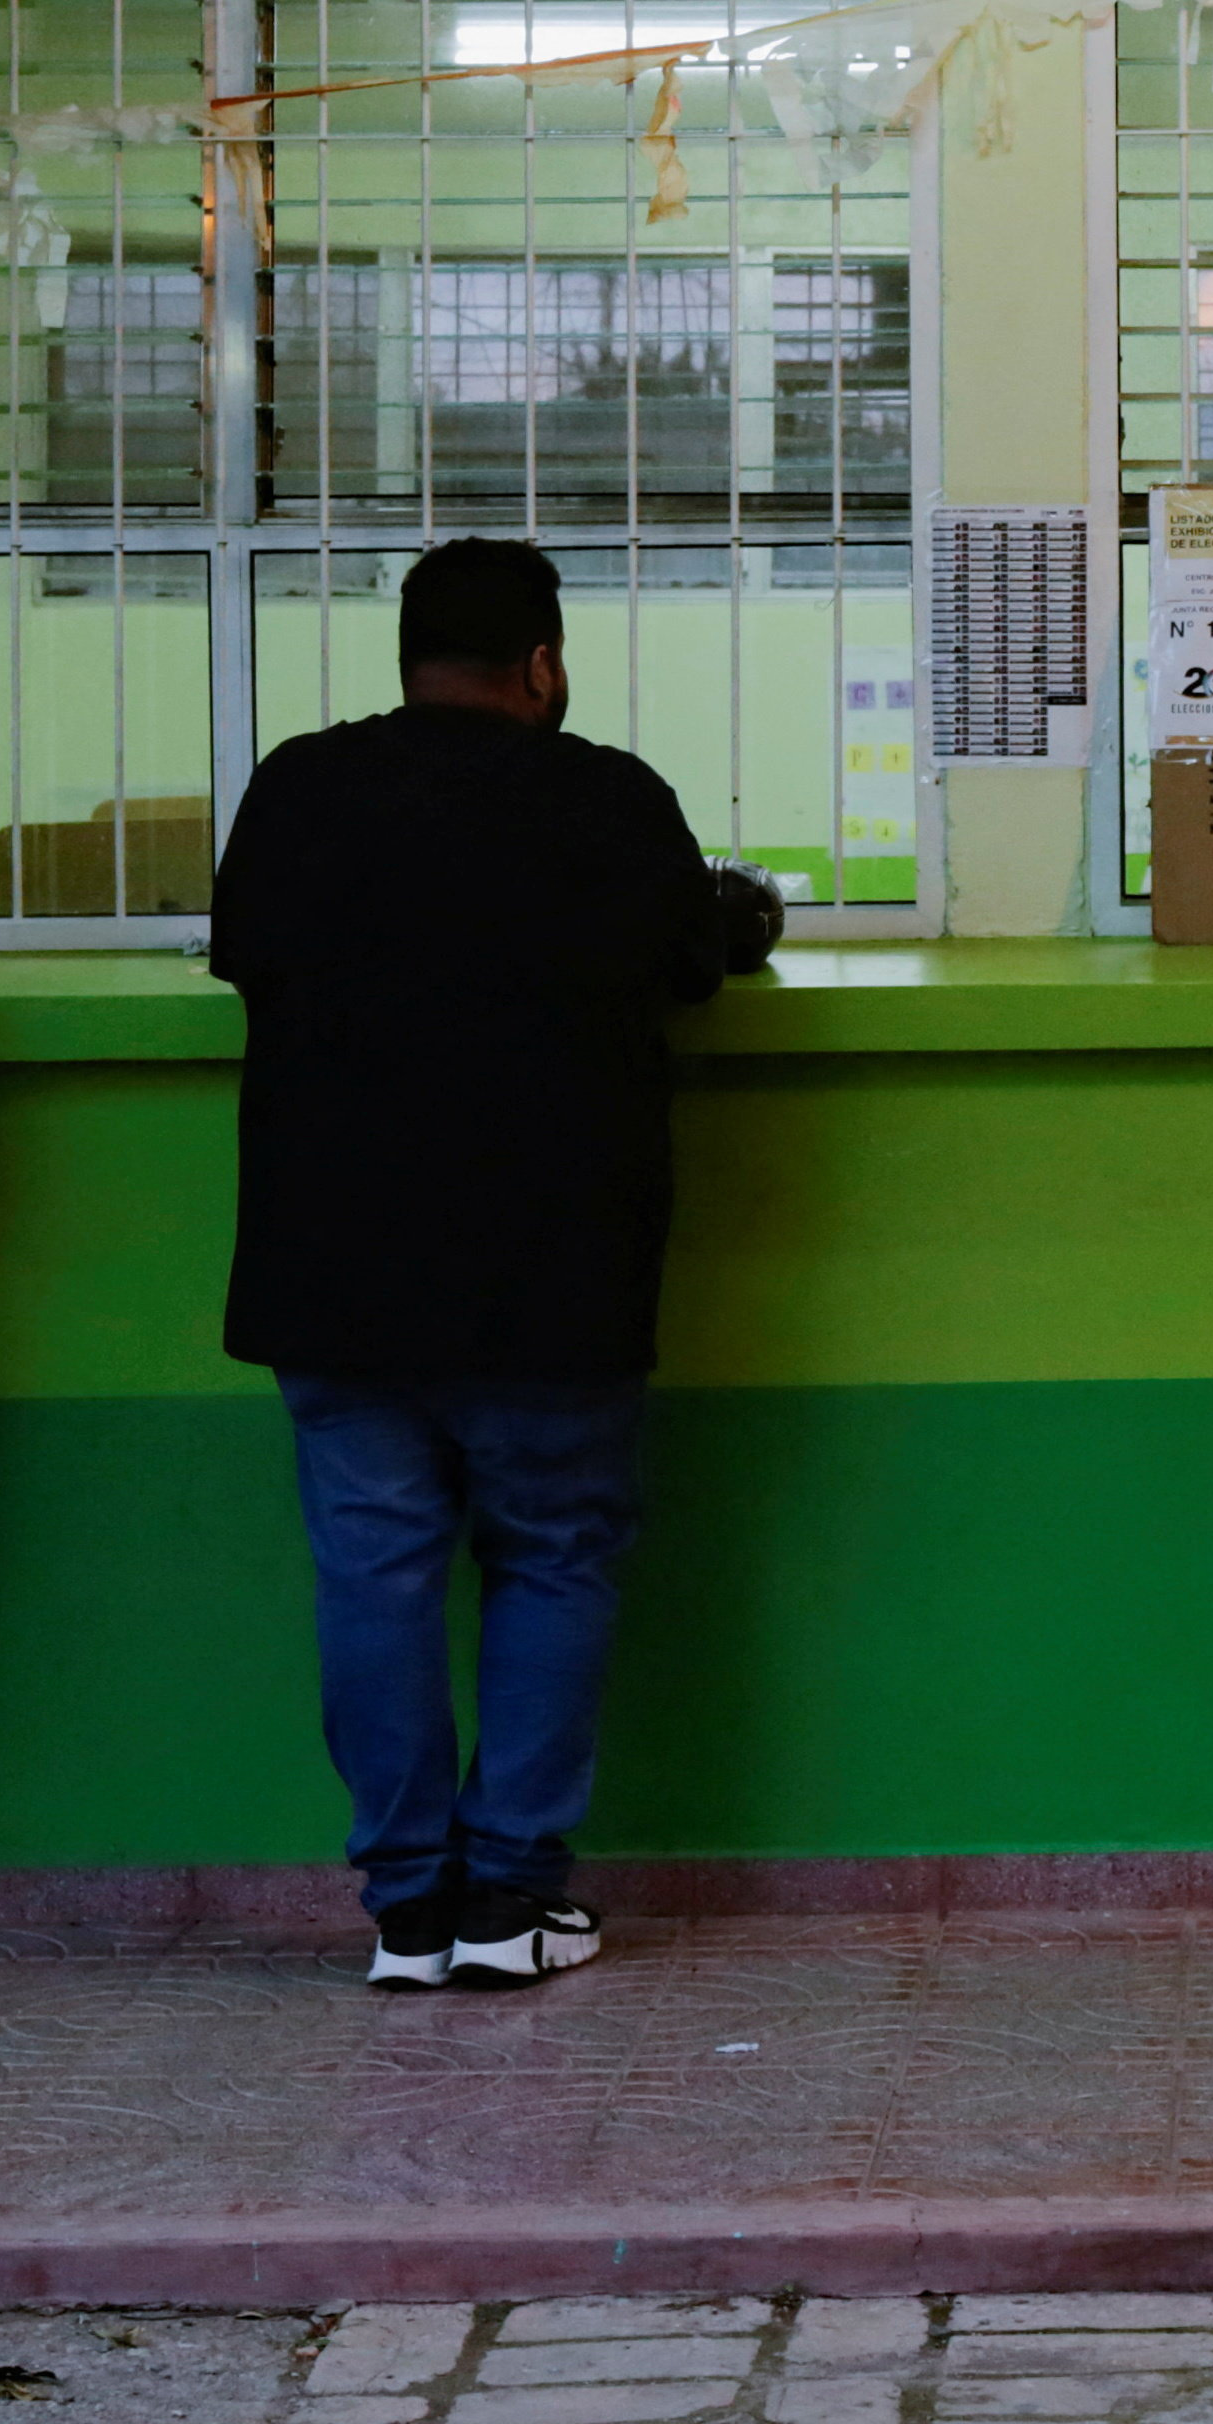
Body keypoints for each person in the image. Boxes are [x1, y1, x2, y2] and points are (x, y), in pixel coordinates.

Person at [211, 537, 758, 1993]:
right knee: (554, 1558)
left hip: (335, 1276)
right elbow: (697, 958)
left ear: (404, 658)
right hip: (551, 1275)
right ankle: (511, 1896)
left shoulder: (299, 788)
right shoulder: (607, 797)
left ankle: (406, 1910)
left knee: (375, 1578)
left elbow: (244, 950)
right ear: (541, 664)